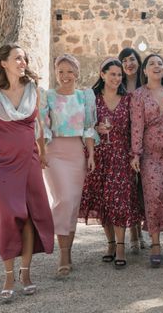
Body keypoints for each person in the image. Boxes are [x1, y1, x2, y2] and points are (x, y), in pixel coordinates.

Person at [0, 44, 54, 301]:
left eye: (24, 58)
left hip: (28, 161)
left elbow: (39, 126)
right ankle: (8, 274)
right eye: (17, 58)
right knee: (8, 217)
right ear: (3, 63)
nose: (23, 61)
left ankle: (25, 272)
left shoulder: (33, 90)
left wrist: (41, 152)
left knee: (30, 216)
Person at [80, 58, 142, 269]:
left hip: (121, 156)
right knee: (104, 200)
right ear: (102, 74)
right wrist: (96, 129)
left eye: (119, 75)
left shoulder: (128, 99)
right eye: (112, 74)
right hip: (98, 155)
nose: (116, 78)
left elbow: (135, 129)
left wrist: (135, 154)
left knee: (120, 200)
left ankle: (122, 247)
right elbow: (85, 126)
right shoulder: (93, 99)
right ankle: (110, 244)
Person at [41, 54, 97, 277]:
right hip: (54, 151)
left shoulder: (85, 97)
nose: (65, 76)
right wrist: (42, 151)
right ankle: (63, 253)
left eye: (69, 71)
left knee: (73, 203)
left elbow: (89, 128)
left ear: (77, 73)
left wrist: (91, 155)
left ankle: (67, 251)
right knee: (63, 199)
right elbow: (43, 127)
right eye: (60, 71)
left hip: (76, 153)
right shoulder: (48, 97)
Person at [130, 54, 163, 267]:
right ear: (144, 70)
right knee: (153, 196)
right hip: (150, 156)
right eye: (151, 63)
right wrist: (136, 153)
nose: (156, 66)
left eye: (160, 63)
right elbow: (137, 125)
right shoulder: (138, 95)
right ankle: (154, 242)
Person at [118, 47, 145, 251]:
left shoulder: (145, 85)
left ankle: (141, 232)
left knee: (141, 188)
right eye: (125, 60)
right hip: (122, 141)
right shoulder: (117, 85)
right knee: (128, 188)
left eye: (132, 59)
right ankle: (133, 234)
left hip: (144, 140)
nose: (129, 63)